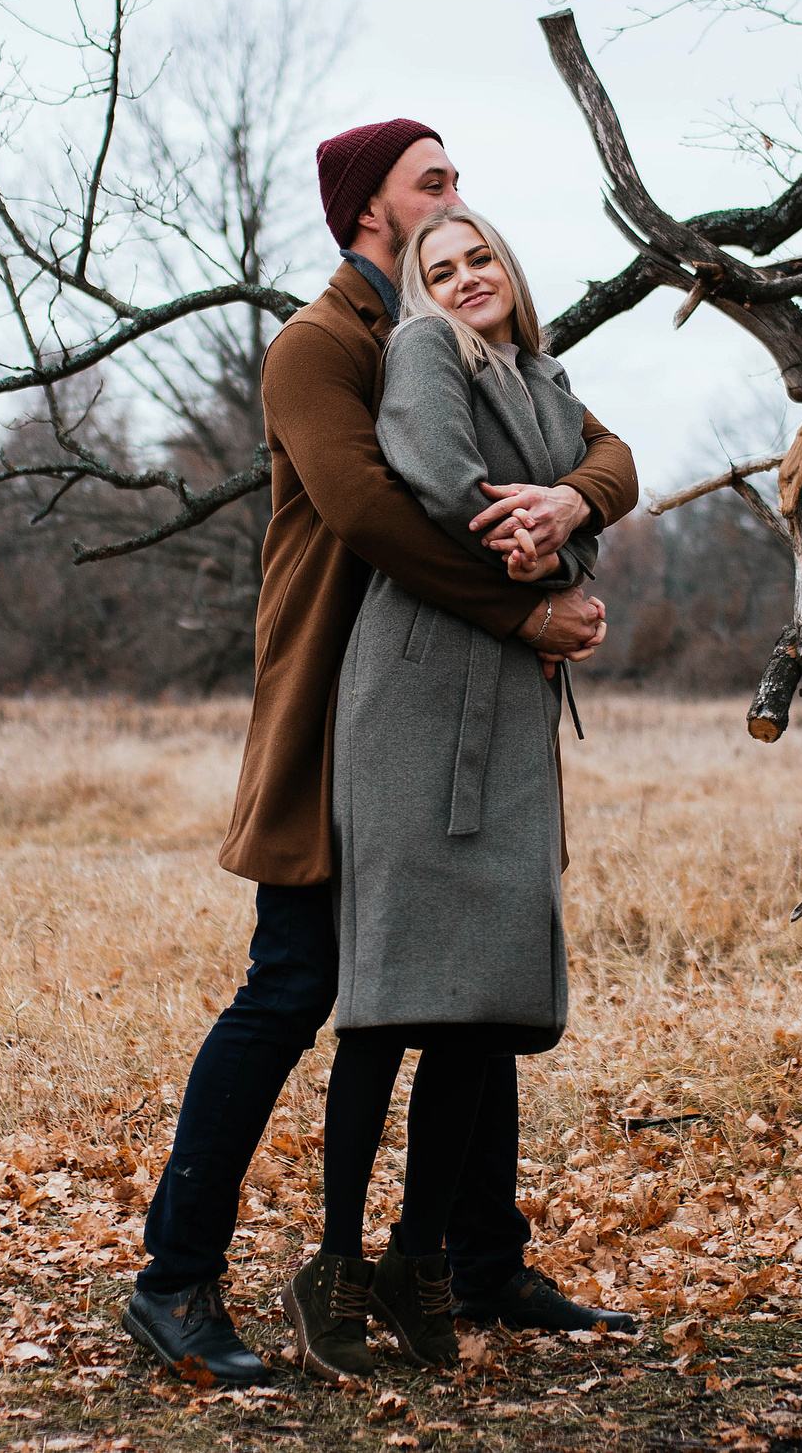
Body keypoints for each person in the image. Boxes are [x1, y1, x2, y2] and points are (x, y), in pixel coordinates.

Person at [121, 121, 639, 1385]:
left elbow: (603, 449)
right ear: (373, 213)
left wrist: (574, 502)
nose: (459, 205)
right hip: (335, 711)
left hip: (456, 706)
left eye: (457, 181)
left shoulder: (466, 332)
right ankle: (174, 1280)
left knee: (479, 962)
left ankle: (479, 1262)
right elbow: (373, 516)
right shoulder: (320, 346)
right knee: (292, 987)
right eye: (435, 185)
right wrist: (528, 605)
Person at [280, 206, 616, 1381]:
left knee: (479, 1002)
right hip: (417, 694)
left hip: (509, 704)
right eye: (441, 265)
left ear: (512, 270)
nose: (466, 275)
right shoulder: (424, 353)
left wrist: (564, 529)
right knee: (394, 997)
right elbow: (430, 478)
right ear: (420, 288)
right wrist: (530, 551)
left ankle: (421, 1261)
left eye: (481, 257)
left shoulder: (545, 374)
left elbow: (600, 481)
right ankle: (331, 1267)